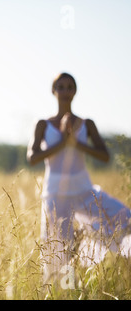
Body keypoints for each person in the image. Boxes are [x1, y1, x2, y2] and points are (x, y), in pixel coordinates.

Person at [27, 72, 131, 282]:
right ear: (53, 91)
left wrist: (76, 142)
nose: (65, 91)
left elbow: (104, 155)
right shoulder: (43, 125)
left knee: (126, 219)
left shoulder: (86, 124)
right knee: (59, 250)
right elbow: (32, 157)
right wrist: (62, 144)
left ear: (75, 91)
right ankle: (66, 291)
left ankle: (93, 246)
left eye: (70, 87)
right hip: (56, 194)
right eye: (61, 87)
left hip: (84, 190)